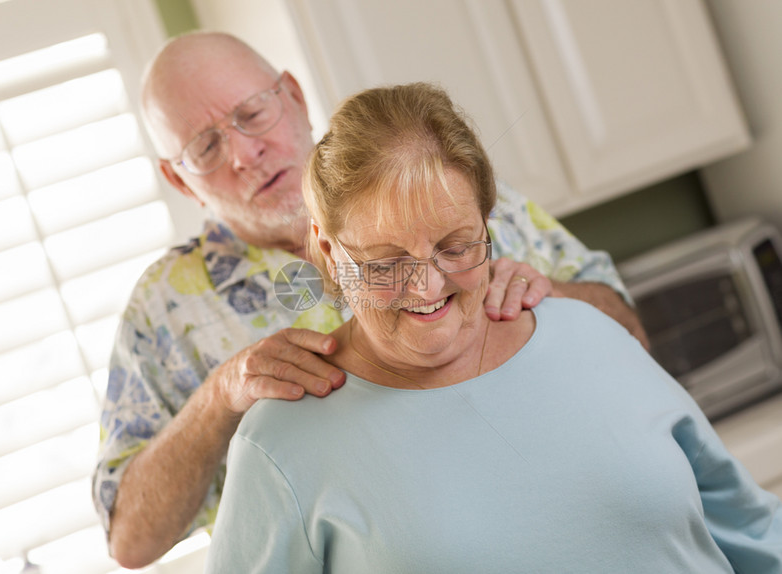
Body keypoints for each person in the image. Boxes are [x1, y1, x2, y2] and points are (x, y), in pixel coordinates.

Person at [92, 32, 648, 568]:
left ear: (294, 96)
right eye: (206, 146)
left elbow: (633, 342)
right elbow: (130, 542)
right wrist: (218, 397)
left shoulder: (448, 189)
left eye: (252, 114)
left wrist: (549, 297)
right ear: (179, 180)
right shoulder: (163, 308)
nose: (244, 153)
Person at [204, 81, 782, 573]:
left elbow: (752, 533)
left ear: (487, 222)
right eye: (384, 263)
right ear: (329, 255)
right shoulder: (281, 445)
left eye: (456, 246)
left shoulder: (586, 332)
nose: (428, 288)